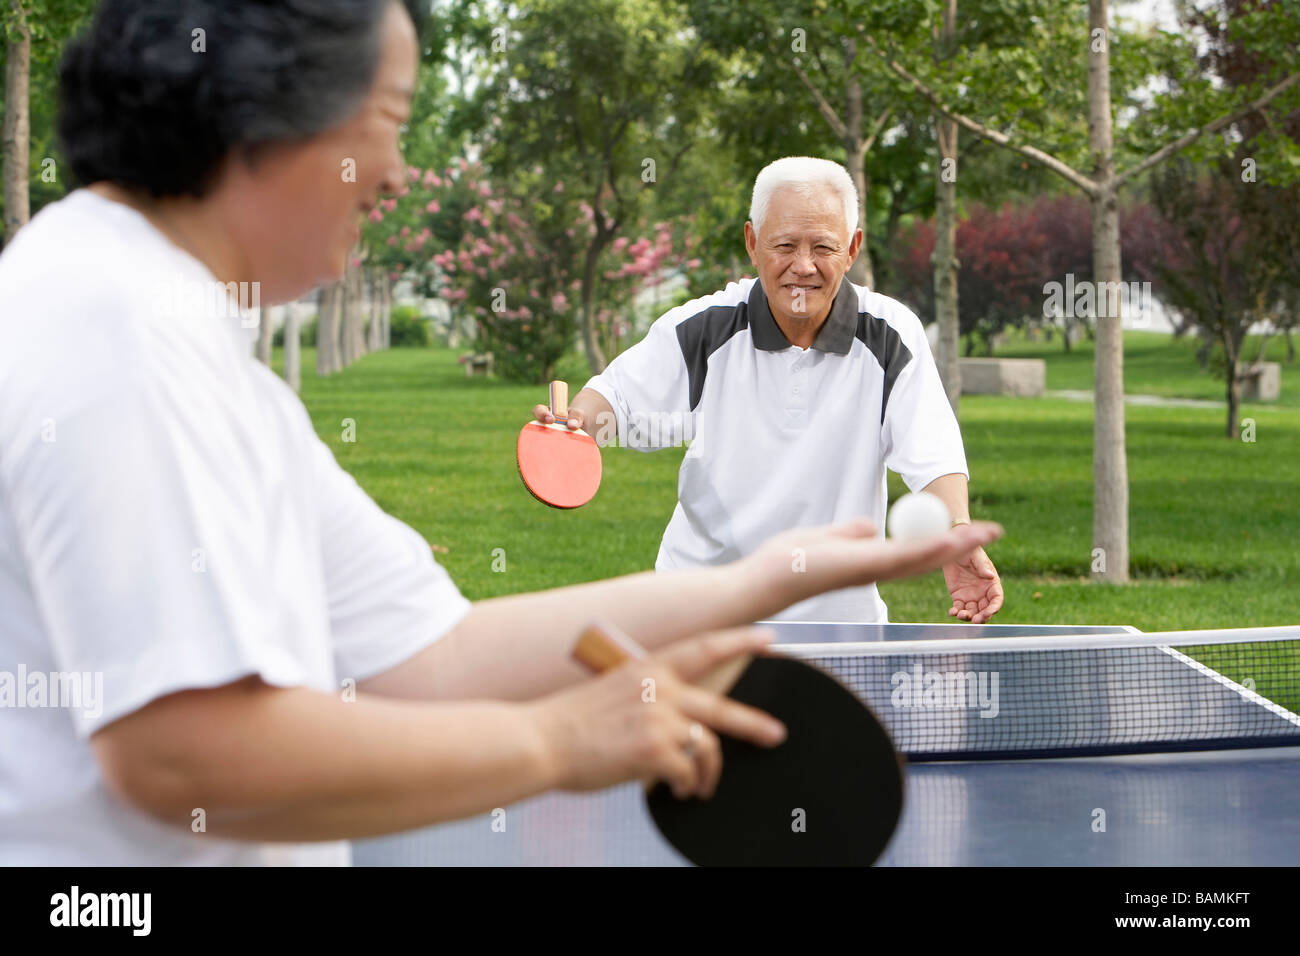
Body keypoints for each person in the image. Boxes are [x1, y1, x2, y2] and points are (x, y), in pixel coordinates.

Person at [0, 0, 1001, 865]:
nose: (391, 170)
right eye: (389, 119)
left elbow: (434, 652)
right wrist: (555, 743)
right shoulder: (117, 331)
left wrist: (759, 578)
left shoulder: (195, 354)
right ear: (259, 107)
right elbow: (184, 752)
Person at [534, 156, 1004, 625]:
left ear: (853, 248)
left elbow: (933, 453)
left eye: (823, 246)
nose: (803, 266)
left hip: (841, 622)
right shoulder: (705, 327)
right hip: (702, 614)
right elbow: (613, 397)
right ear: (753, 243)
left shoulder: (890, 334)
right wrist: (572, 427)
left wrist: (956, 532)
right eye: (784, 245)